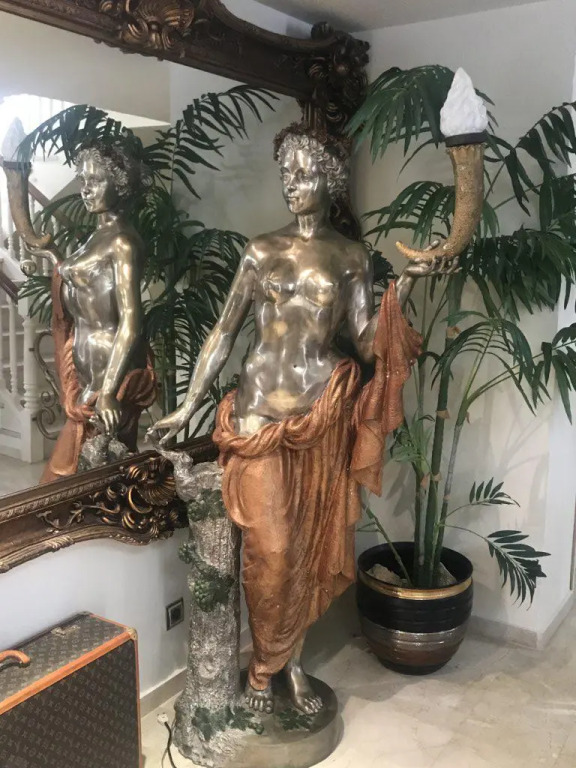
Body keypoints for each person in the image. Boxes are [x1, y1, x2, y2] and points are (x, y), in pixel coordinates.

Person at [148, 123, 457, 714]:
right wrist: (188, 404)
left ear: (330, 179)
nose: (290, 183)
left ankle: (288, 665)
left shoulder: (350, 256)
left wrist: (404, 291)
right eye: (285, 172)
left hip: (319, 413)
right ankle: (262, 668)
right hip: (259, 416)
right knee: (270, 550)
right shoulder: (260, 249)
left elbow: (366, 342)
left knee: (305, 551)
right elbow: (223, 331)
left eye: (303, 172)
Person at [36, 140, 156, 482]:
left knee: (85, 477)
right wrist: (54, 257)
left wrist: (108, 392)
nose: (85, 190)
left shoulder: (123, 242)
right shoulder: (94, 238)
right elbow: (82, 280)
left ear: (120, 184)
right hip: (87, 369)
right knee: (92, 480)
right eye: (82, 180)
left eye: (96, 181)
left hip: (110, 374)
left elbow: (131, 322)